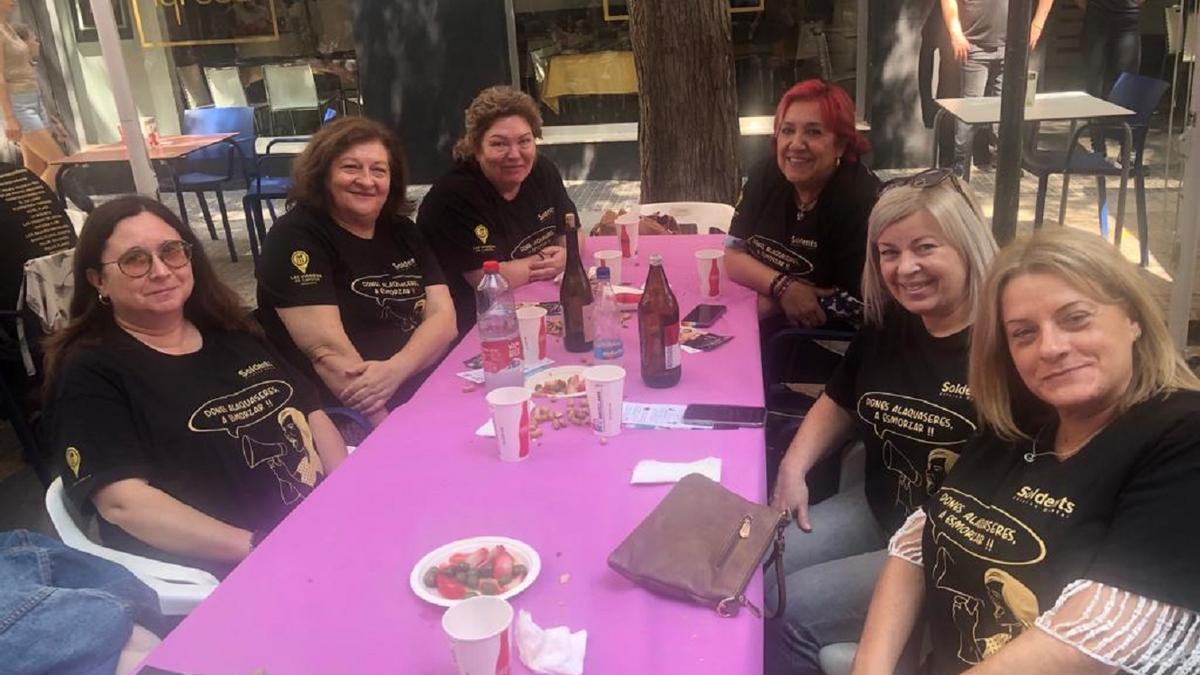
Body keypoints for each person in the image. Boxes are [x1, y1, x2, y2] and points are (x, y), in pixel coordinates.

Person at [854, 228, 1200, 675]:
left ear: (1132, 317)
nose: (1052, 348)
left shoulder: (1182, 436)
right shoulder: (1025, 417)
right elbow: (922, 536)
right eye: (1024, 334)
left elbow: (1095, 635)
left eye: (1076, 319)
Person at [765, 169, 999, 674]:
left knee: (791, 608)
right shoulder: (891, 320)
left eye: (924, 247)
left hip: (949, 552)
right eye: (888, 252)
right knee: (756, 568)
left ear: (965, 244)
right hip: (878, 507)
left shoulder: (1006, 341)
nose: (905, 268)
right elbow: (840, 398)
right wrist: (793, 466)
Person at [42, 196, 348, 577]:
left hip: (322, 530)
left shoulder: (230, 330)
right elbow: (123, 502)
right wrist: (261, 547)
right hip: (233, 567)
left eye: (171, 252)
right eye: (135, 260)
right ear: (98, 280)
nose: (160, 270)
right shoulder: (91, 369)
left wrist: (345, 501)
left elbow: (311, 411)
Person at [257, 117, 456, 424]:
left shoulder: (402, 230)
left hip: (419, 384)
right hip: (353, 412)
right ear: (323, 173)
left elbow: (444, 320)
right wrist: (390, 433)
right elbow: (328, 355)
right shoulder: (295, 238)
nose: (366, 181)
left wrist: (397, 368)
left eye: (379, 170)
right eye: (351, 167)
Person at [417, 85, 580, 335]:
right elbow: (487, 280)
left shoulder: (542, 171)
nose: (515, 154)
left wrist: (569, 255)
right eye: (499, 144)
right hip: (475, 327)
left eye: (524, 141)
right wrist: (556, 260)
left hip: (532, 306)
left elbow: (573, 233)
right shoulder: (453, 196)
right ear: (476, 146)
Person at [726, 79, 880, 330]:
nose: (796, 144)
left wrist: (772, 303)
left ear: (840, 144)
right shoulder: (766, 174)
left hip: (831, 341)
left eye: (813, 132)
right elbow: (732, 254)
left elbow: (865, 301)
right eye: (787, 130)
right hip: (762, 319)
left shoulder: (860, 200)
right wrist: (782, 288)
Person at [941, 0, 1054, 174]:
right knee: (970, 108)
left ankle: (1003, 160)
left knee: (1006, 108)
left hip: (1013, 46)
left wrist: (1037, 25)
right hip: (974, 46)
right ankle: (960, 162)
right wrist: (955, 32)